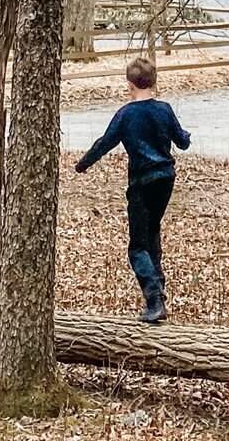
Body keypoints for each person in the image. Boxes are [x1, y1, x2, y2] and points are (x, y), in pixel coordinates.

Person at [74, 55, 190, 323]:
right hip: (165, 179)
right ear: (153, 81)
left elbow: (105, 142)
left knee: (137, 246)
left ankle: (154, 299)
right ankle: (159, 291)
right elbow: (181, 141)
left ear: (130, 85)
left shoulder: (126, 115)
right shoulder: (165, 109)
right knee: (152, 235)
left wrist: (83, 164)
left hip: (141, 183)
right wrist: (185, 138)